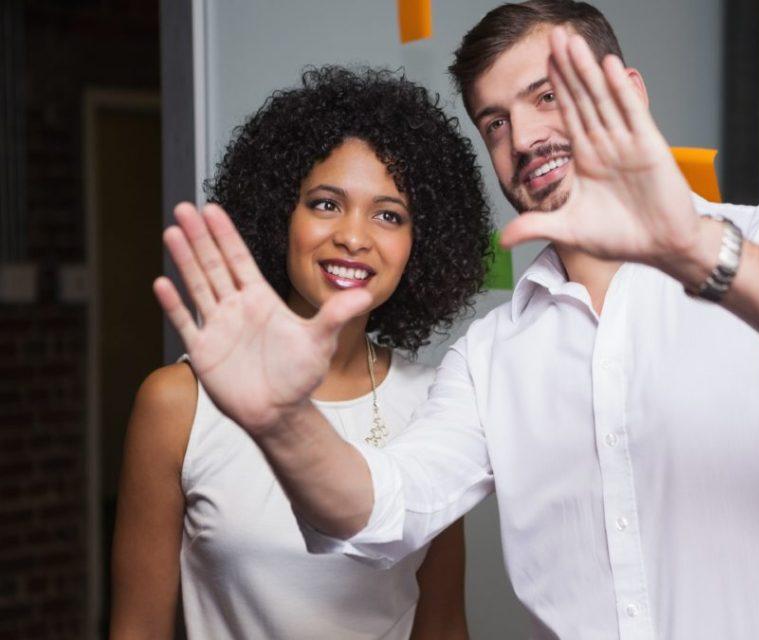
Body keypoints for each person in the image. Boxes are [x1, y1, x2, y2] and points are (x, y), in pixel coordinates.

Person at [153, 2, 759, 638]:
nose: (524, 136)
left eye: (547, 96)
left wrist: (696, 250)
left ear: (627, 90)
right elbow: (380, 515)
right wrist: (282, 421)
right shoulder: (491, 354)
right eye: (496, 122)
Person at [109, 66, 491, 639]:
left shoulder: (439, 402)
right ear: (278, 214)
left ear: (423, 242)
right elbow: (137, 629)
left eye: (389, 215)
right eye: (326, 204)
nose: (354, 237)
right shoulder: (176, 405)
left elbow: (442, 623)